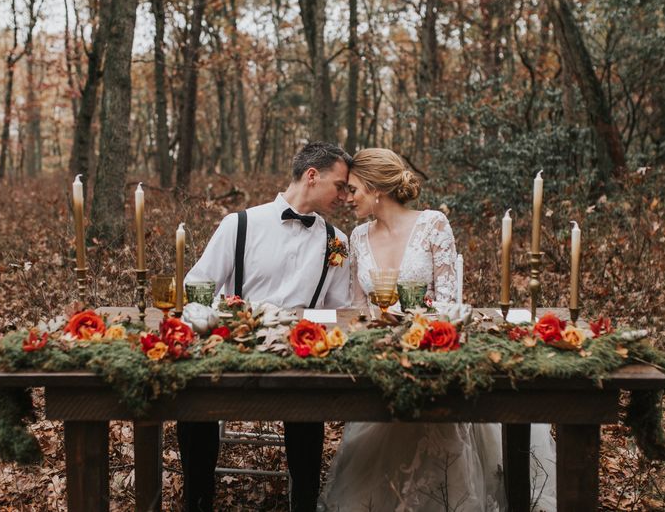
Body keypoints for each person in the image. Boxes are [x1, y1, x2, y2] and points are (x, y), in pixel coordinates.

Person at [319, 148, 556, 512]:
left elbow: (448, 302)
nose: (347, 198)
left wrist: (420, 337)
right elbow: (359, 309)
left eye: (353, 190)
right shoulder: (358, 237)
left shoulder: (433, 224)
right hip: (382, 356)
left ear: (375, 187)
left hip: (433, 351)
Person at [182, 141, 353, 512]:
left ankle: (304, 501)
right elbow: (195, 288)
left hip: (298, 355)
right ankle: (197, 500)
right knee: (193, 402)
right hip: (235, 349)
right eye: (340, 185)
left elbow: (339, 311)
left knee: (309, 402)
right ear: (312, 176)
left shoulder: (337, 241)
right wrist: (229, 316)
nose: (344, 194)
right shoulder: (239, 224)